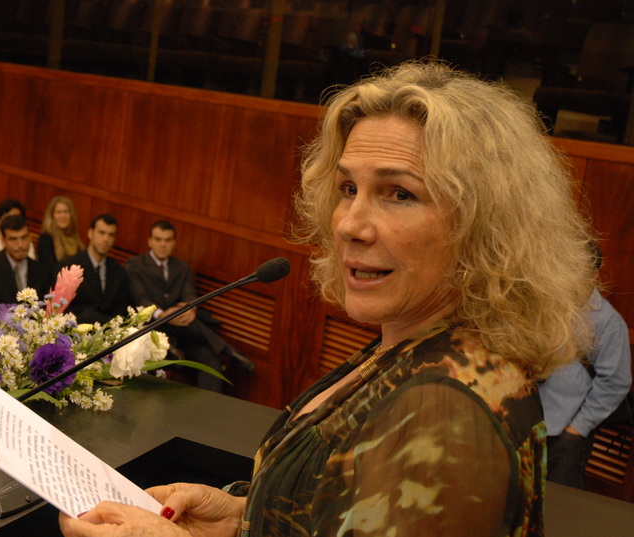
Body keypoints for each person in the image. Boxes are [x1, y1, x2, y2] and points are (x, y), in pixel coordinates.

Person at [61, 62, 597, 537]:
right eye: (348, 189)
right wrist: (240, 518)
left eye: (400, 193)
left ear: (483, 226)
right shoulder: (411, 344)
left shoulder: (444, 411)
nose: (349, 225)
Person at [539, 245, 632, 489]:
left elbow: (615, 383)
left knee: (560, 501)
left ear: (594, 274)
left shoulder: (609, 322)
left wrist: (577, 429)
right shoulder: (548, 304)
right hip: (531, 423)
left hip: (566, 434)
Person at [125, 220, 254, 393]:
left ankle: (209, 406)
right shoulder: (134, 265)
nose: (163, 244)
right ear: (150, 241)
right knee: (184, 322)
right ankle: (229, 351)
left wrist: (190, 309)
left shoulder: (182, 267)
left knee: (210, 356)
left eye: (168, 240)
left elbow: (189, 295)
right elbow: (140, 299)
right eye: (158, 239)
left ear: (174, 242)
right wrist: (164, 315)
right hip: (153, 329)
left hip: (183, 331)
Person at [62, 214, 130, 325]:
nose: (106, 239)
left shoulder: (119, 272)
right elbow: (61, 306)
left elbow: (121, 310)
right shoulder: (70, 266)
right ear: (90, 233)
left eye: (111, 235)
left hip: (109, 331)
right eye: (101, 233)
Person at [37, 195, 84, 274]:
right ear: (52, 216)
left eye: (66, 212)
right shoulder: (46, 238)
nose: (63, 216)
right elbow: (49, 269)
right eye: (59, 212)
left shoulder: (75, 237)